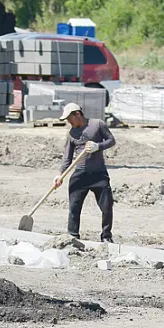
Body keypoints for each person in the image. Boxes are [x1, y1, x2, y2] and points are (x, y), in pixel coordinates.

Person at [54, 102, 116, 242]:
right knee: (74, 208)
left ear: (77, 114)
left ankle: (106, 236)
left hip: (99, 174)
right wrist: (60, 175)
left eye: (70, 118)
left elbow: (111, 140)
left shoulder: (98, 124)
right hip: (80, 175)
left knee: (107, 207)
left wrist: (98, 146)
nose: (69, 122)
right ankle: (72, 237)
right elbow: (67, 157)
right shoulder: (71, 133)